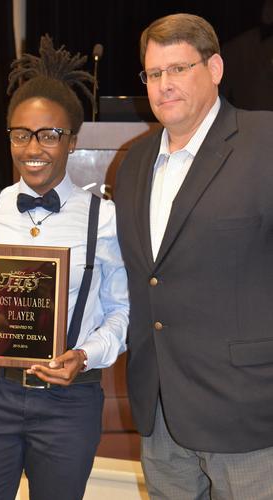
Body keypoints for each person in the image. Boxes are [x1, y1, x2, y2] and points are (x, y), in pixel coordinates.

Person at [0, 34, 129, 500]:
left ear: (71, 140)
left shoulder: (103, 218)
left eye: (49, 135)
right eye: (21, 133)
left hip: (69, 401)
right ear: (9, 135)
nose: (34, 147)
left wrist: (85, 356)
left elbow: (120, 311)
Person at [114, 12, 273, 500]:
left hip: (246, 415)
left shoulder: (264, 142)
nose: (164, 85)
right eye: (154, 74)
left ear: (216, 68)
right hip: (160, 414)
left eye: (179, 69)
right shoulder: (133, 162)